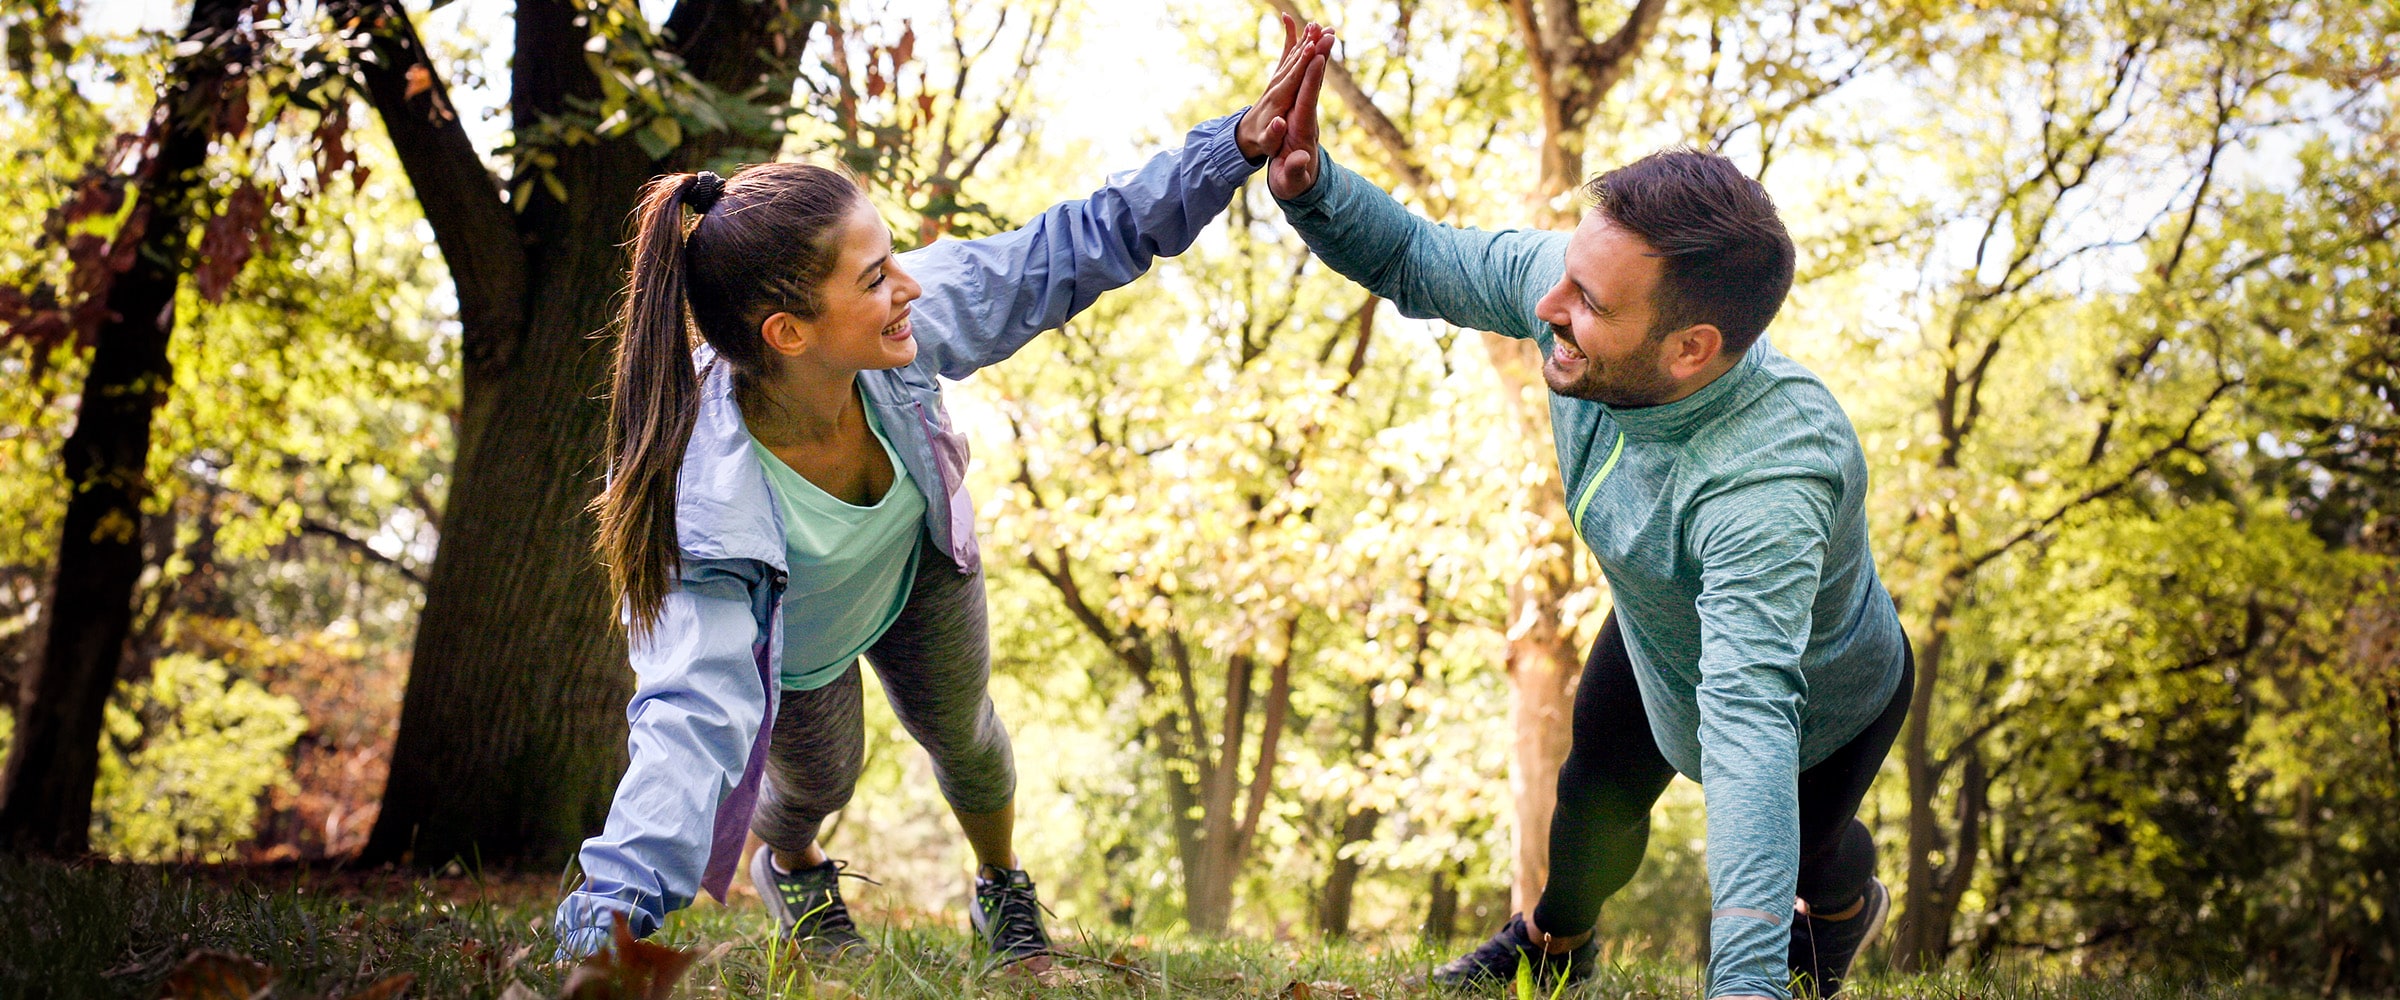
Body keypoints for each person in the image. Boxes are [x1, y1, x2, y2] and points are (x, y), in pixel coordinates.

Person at [551, 17, 1337, 966]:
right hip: (792, 638)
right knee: (815, 782)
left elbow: (1068, 247)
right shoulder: (699, 496)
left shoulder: (898, 329)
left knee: (966, 737)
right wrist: (611, 919)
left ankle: (1002, 889)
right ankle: (793, 868)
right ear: (788, 332)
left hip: (917, 566)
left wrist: (1233, 148)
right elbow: (688, 718)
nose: (909, 289)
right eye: (876, 277)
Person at [1258, 60, 1911, 1000]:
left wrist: (1747, 985)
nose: (1551, 310)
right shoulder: (1575, 290)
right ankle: (1551, 945)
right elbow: (1419, 258)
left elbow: (1747, 731)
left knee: (1809, 848)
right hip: (1656, 629)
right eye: (1568, 276)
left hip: (1817, 688)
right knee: (1589, 813)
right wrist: (1316, 190)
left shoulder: (1771, 474)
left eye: (1592, 306)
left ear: (1692, 350)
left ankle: (1844, 911)